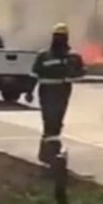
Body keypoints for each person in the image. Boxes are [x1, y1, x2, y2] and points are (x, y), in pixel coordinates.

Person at [28, 23, 86, 164]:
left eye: (62, 36)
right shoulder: (43, 55)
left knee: (57, 120)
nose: (59, 39)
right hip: (46, 92)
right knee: (49, 119)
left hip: (62, 91)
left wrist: (71, 75)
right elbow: (34, 75)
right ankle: (49, 149)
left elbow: (82, 72)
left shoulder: (73, 57)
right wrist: (29, 91)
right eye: (57, 36)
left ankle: (50, 149)